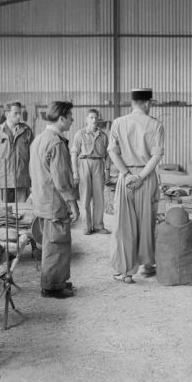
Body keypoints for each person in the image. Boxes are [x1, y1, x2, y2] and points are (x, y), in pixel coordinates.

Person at [108, 88, 164, 283]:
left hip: (126, 177)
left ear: (132, 103)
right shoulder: (156, 125)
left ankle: (126, 272)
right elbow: (156, 156)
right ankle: (147, 265)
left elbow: (113, 152)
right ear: (148, 103)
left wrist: (127, 174)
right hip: (146, 177)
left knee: (124, 224)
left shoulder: (118, 123)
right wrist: (140, 176)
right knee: (147, 222)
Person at [29, 101, 80, 299]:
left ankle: (57, 281)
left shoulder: (39, 139)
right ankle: (52, 287)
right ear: (61, 119)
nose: (72, 120)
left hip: (42, 200)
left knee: (52, 244)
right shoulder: (57, 143)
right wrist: (73, 204)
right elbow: (62, 181)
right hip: (54, 203)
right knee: (56, 245)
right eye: (70, 116)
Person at [71, 109, 110, 235]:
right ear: (86, 119)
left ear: (99, 119)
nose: (94, 120)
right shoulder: (80, 134)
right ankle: (87, 226)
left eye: (96, 117)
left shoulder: (103, 136)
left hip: (99, 163)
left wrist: (108, 170)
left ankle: (98, 225)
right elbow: (74, 153)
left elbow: (108, 155)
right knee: (85, 196)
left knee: (99, 197)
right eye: (91, 117)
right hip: (84, 164)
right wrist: (75, 172)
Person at [0, 101, 33, 203]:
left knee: (22, 211)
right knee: (5, 212)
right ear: (7, 114)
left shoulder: (27, 131)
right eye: (15, 113)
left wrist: (33, 176)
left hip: (22, 179)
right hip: (4, 180)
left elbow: (33, 156)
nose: (19, 116)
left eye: (19, 113)